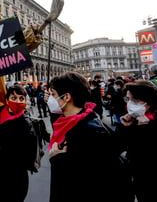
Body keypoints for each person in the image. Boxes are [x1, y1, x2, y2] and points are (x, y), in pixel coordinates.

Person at [46, 72, 133, 202]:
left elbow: (87, 181)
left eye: (53, 94)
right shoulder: (74, 121)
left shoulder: (87, 131)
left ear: (67, 97)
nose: (50, 99)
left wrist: (59, 160)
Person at [116, 80, 157, 202]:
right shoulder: (132, 119)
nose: (130, 104)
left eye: (135, 100)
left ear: (149, 100)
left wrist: (147, 128)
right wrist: (124, 127)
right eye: (128, 99)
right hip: (140, 177)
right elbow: (117, 147)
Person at [0, 85, 37, 202]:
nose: (18, 101)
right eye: (13, 98)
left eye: (21, 98)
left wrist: (0, 151)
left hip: (16, 178)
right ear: (7, 99)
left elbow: (28, 158)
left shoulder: (26, 124)